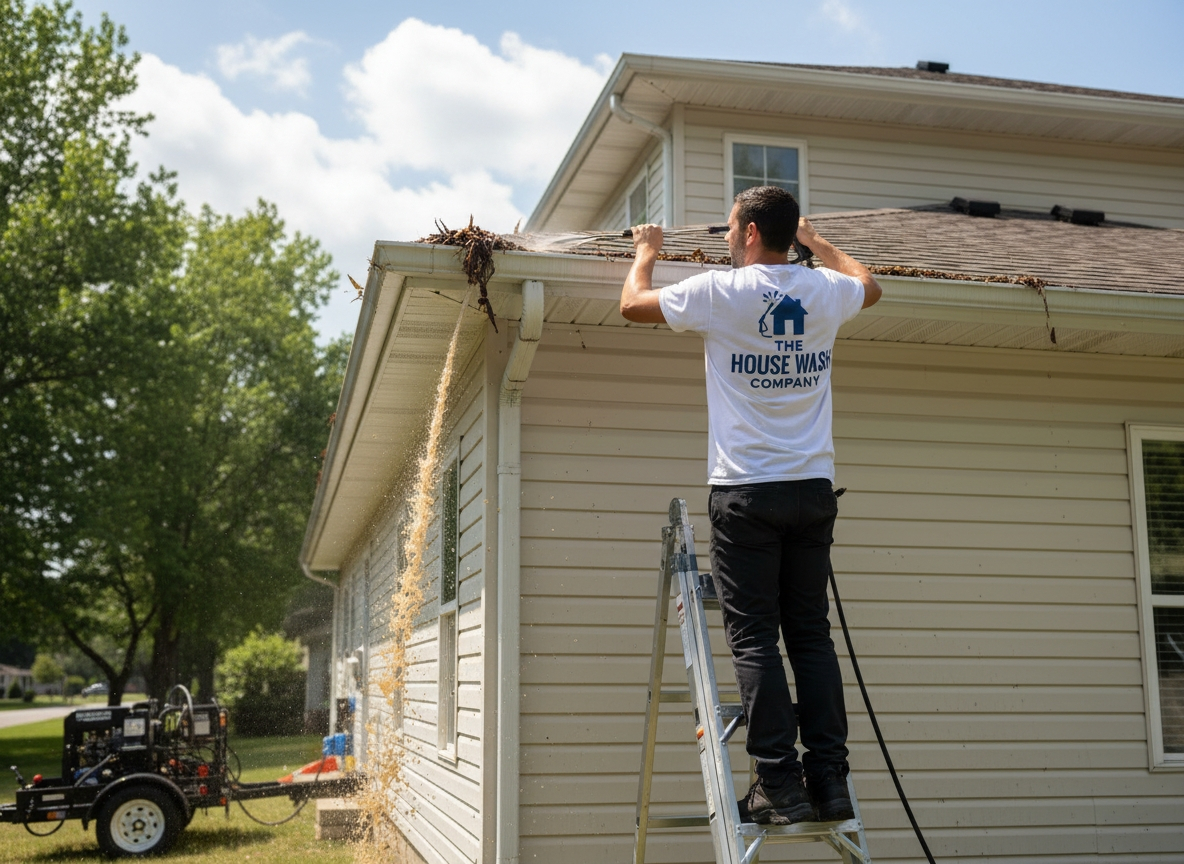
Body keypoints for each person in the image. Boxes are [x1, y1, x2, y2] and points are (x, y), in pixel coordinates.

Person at [619, 185, 882, 826]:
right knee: (811, 637)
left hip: (747, 492)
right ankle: (830, 783)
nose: (728, 239)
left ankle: (778, 784)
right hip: (812, 491)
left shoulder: (721, 293)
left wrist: (647, 252)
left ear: (750, 232)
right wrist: (816, 245)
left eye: (732, 228)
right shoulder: (823, 292)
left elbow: (630, 305)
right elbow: (870, 285)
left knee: (755, 637)